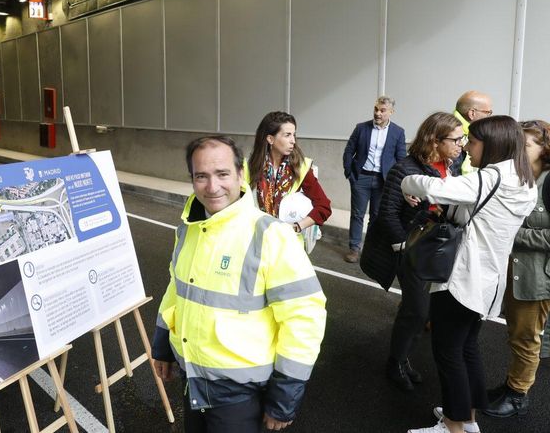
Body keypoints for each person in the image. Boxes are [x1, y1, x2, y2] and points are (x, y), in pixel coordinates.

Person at [152, 136, 327, 432]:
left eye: (222, 174)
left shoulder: (270, 235)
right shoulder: (188, 230)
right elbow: (177, 289)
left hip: (240, 395)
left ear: (240, 174)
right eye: (201, 176)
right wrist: (163, 347)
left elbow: (304, 319)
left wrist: (283, 400)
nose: (212, 186)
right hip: (193, 378)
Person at [402, 116, 536, 433]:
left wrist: (408, 182)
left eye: (471, 141)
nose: (465, 147)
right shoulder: (524, 180)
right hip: (488, 280)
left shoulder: (489, 178)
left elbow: (432, 186)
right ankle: (467, 418)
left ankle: (452, 426)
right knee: (467, 348)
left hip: (463, 278)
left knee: (448, 352)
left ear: (490, 145)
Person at [374, 113, 464, 392]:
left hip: (438, 249)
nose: (461, 144)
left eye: (463, 139)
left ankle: (403, 359)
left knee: (423, 313)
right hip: (413, 249)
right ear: (434, 140)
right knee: (416, 310)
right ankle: (395, 363)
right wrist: (404, 248)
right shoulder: (405, 168)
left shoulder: (453, 168)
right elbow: (386, 214)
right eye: (456, 139)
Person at [480, 119, 550, 418]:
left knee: (526, 339)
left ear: (545, 150)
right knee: (514, 334)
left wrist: (512, 234)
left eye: (528, 143)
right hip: (511, 271)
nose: (520, 147)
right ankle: (510, 386)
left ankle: (518, 395)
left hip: (536, 277)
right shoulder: (520, 176)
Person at [247, 111, 332, 245]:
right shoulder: (248, 168)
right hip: (256, 242)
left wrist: (297, 226)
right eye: (287, 135)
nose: (293, 140)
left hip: (289, 246)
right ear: (270, 139)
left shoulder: (301, 168)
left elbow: (324, 206)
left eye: (294, 134)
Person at [342, 96, 407, 263]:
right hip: (361, 177)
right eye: (376, 109)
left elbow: (401, 158)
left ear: (391, 112)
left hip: (383, 181)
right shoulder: (361, 128)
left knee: (377, 216)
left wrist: (397, 182)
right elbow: (349, 150)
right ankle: (354, 248)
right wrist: (350, 173)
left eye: (382, 110)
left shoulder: (398, 132)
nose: (378, 113)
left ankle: (370, 249)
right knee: (357, 214)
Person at [452, 90, 494, 174]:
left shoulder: (449, 127)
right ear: (472, 113)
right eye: (488, 112)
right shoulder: (453, 134)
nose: (489, 117)